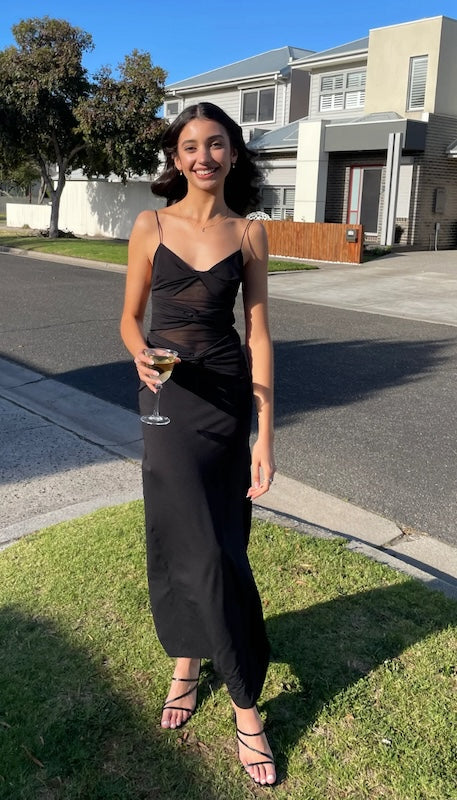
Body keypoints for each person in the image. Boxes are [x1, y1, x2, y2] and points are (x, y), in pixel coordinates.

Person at [120, 102, 276, 787]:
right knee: (184, 538)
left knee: (222, 543)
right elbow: (130, 318)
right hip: (167, 398)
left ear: (233, 153)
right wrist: (139, 353)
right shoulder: (149, 225)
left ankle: (238, 696)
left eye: (216, 144)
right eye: (190, 146)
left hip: (227, 401)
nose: (203, 156)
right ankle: (195, 665)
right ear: (176, 158)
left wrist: (264, 432)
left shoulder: (250, 232)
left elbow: (260, 334)